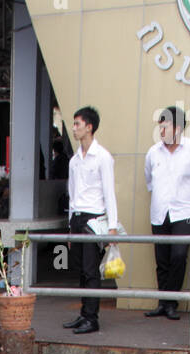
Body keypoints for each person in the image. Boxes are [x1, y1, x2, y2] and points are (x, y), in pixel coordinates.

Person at [144, 106, 190, 321]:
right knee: (161, 259)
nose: (161, 130)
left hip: (183, 211)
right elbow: (149, 182)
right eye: (160, 126)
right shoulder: (153, 153)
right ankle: (162, 303)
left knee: (179, 256)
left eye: (165, 126)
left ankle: (171, 303)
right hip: (159, 212)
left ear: (178, 128)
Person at [64, 106, 119, 335]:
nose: (74, 128)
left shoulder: (103, 157)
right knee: (81, 270)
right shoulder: (75, 160)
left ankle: (92, 318)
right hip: (77, 218)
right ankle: (84, 313)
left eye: (78, 124)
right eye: (74, 124)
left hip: (94, 219)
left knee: (91, 270)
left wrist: (113, 227)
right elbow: (72, 193)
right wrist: (69, 226)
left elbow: (109, 192)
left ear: (90, 127)